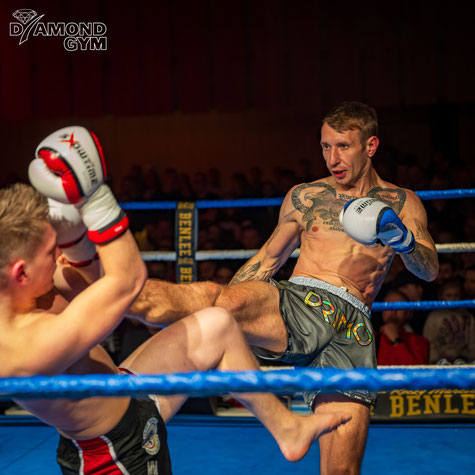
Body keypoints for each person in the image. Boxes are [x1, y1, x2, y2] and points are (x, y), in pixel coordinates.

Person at [0, 127, 350, 475]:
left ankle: (287, 429)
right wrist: (95, 201)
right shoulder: (23, 350)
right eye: (50, 252)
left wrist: (75, 240)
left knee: (217, 325)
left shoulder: (27, 291)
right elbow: (126, 282)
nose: (57, 255)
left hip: (126, 390)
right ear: (20, 273)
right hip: (113, 454)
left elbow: (85, 283)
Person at [128, 101, 439, 474]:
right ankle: (129, 295)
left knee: (342, 468)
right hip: (301, 301)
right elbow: (268, 260)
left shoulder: (402, 203)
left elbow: (429, 270)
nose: (332, 158)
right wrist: (227, 308)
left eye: (343, 146)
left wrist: (402, 239)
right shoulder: (306, 197)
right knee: (218, 299)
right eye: (325, 146)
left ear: (370, 146)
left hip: (353, 329)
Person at [377, 289, 430, 366]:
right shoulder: (371, 339)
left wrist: (395, 339)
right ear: (381, 310)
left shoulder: (420, 342)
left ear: (407, 313)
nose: (393, 311)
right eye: (388, 305)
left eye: (399, 306)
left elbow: (417, 373)